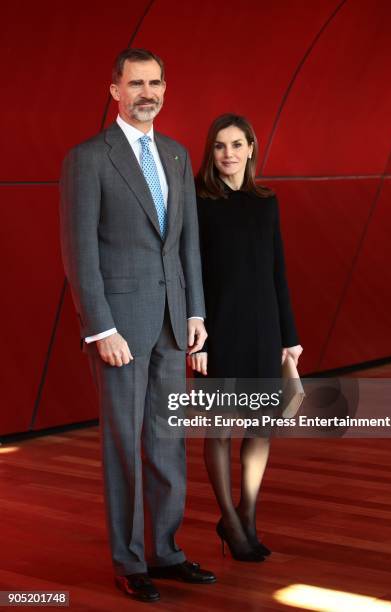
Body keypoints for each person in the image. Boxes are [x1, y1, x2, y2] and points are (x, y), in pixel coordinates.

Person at [59, 48, 216, 603]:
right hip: (121, 330)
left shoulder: (175, 155)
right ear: (114, 91)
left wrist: (196, 312)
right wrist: (101, 329)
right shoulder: (89, 158)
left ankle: (166, 552)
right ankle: (129, 561)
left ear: (165, 89)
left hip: (175, 324)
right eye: (135, 83)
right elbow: (80, 253)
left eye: (154, 83)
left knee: (167, 443)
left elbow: (188, 245)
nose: (146, 92)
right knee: (124, 445)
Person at [189, 114, 303, 562]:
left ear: (252, 148)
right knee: (218, 431)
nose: (229, 154)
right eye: (219, 146)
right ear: (211, 153)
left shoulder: (266, 201)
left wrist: (288, 337)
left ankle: (248, 515)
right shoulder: (199, 203)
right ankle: (231, 523)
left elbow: (278, 271)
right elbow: (191, 274)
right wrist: (199, 341)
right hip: (218, 330)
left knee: (260, 428)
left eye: (237, 144)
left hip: (263, 328)